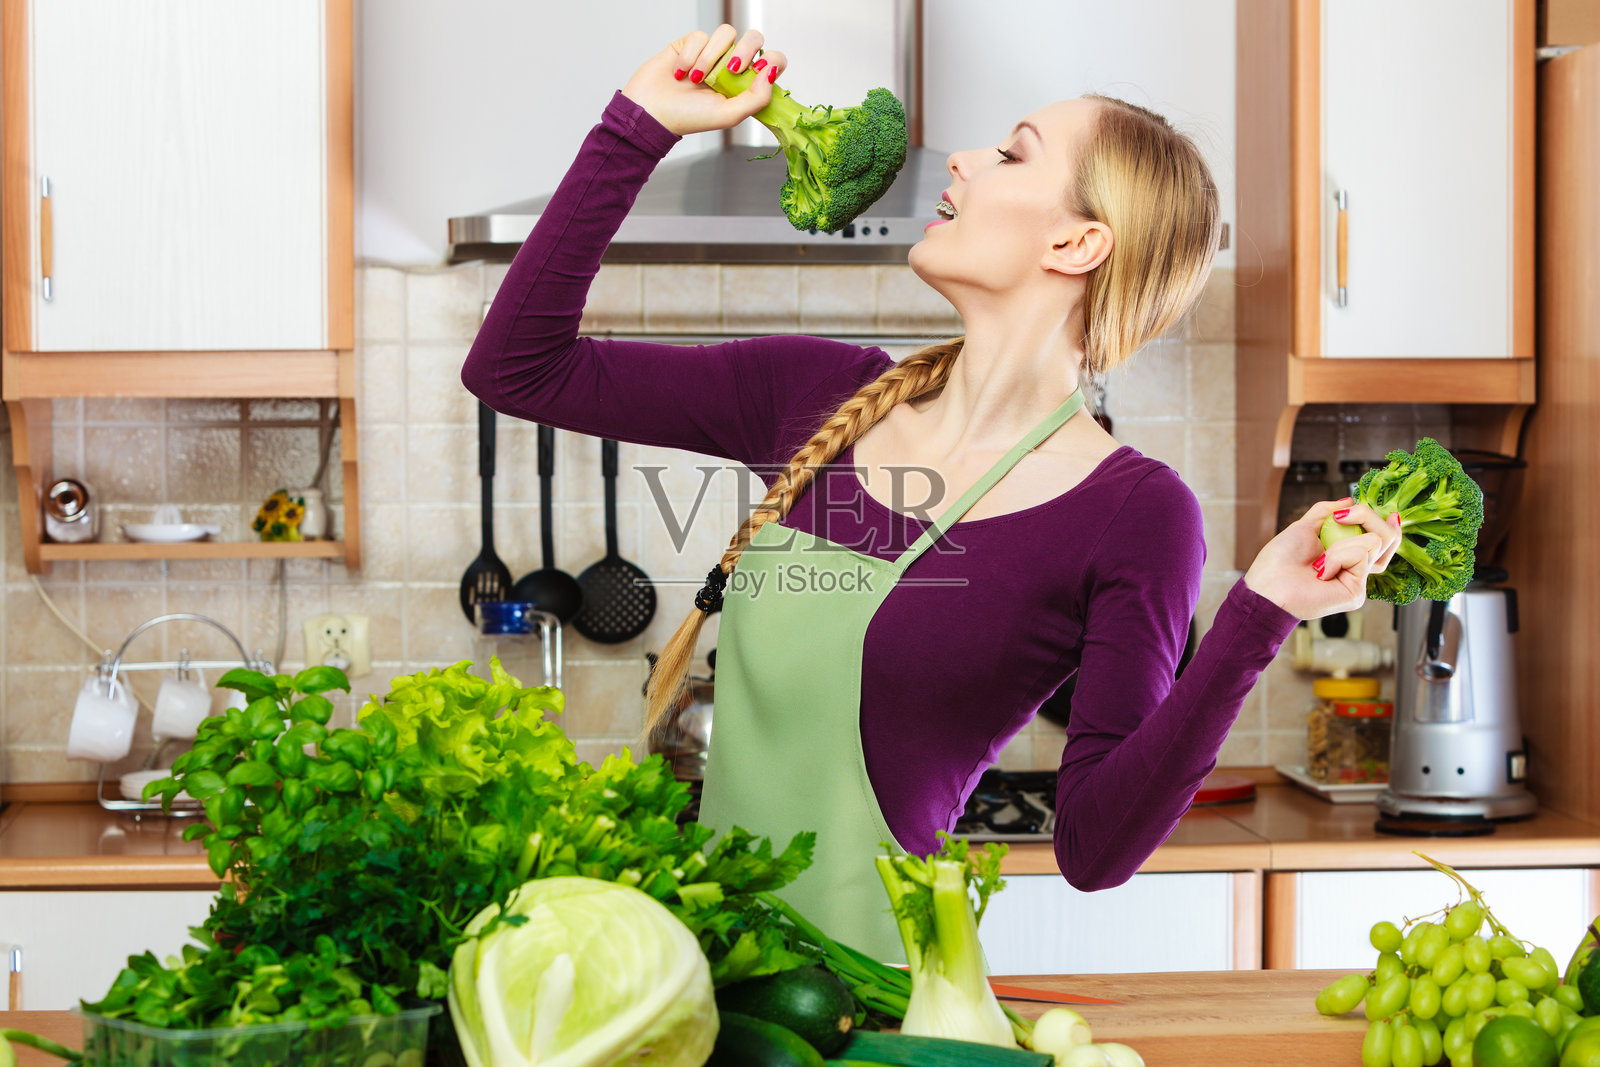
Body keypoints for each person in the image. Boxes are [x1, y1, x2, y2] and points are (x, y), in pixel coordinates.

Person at [462, 26, 1404, 963]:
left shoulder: (1135, 515)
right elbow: (516, 368)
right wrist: (640, 126)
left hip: (888, 1008)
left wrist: (1262, 611)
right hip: (712, 981)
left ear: (1077, 241)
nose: (958, 158)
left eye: (1009, 152)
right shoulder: (809, 394)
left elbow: (1094, 848)